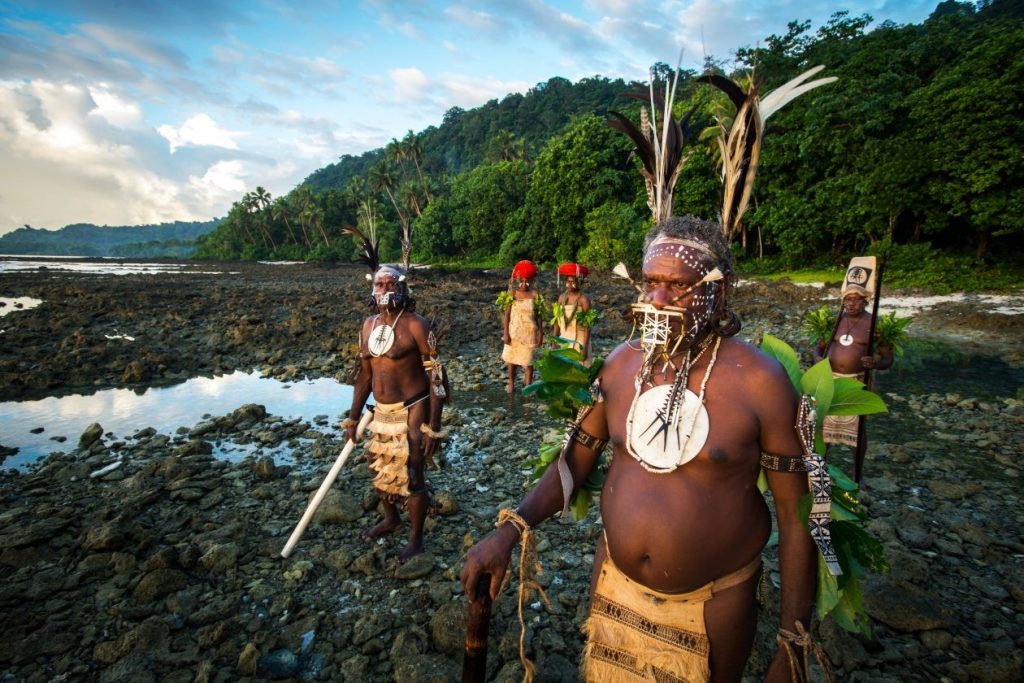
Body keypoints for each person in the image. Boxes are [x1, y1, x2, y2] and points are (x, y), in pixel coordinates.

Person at [463, 216, 823, 682]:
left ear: (722, 287)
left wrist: (792, 647)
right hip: (614, 587)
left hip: (713, 604)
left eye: (678, 286)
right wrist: (509, 531)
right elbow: (575, 459)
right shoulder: (621, 365)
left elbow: (798, 515)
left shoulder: (760, 382)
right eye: (651, 281)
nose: (657, 299)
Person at [344, 264, 447, 562]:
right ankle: (391, 519)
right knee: (378, 465)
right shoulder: (368, 325)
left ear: (403, 289)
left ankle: (416, 539)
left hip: (413, 406)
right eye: (379, 285)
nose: (385, 291)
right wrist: (352, 417)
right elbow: (363, 376)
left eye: (391, 285)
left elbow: (437, 376)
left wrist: (433, 426)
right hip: (381, 410)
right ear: (372, 289)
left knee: (413, 470)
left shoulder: (417, 325)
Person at [812, 256, 893, 448]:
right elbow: (818, 346)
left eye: (856, 300)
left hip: (857, 381)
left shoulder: (874, 325)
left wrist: (876, 363)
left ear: (865, 301)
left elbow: (888, 358)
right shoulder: (834, 322)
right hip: (830, 380)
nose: (851, 304)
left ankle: (858, 473)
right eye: (848, 299)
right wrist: (817, 359)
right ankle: (821, 467)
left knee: (858, 430)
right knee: (825, 426)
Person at [500, 260, 544, 395]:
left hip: (530, 332)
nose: (524, 284)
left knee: (528, 362)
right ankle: (511, 384)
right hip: (514, 332)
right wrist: (506, 333)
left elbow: (539, 316)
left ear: (531, 280)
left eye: (527, 281)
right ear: (517, 280)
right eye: (522, 281)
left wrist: (541, 333)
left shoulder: (535, 295)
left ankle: (528, 387)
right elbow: (506, 315)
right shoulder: (512, 294)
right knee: (512, 360)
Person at [552, 262, 594, 362]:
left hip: (579, 341)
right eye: (568, 281)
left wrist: (584, 348)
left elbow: (587, 326)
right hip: (564, 340)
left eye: (573, 282)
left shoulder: (584, 300)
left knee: (579, 372)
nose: (570, 284)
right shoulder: (561, 298)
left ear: (579, 283)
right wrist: (554, 342)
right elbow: (557, 322)